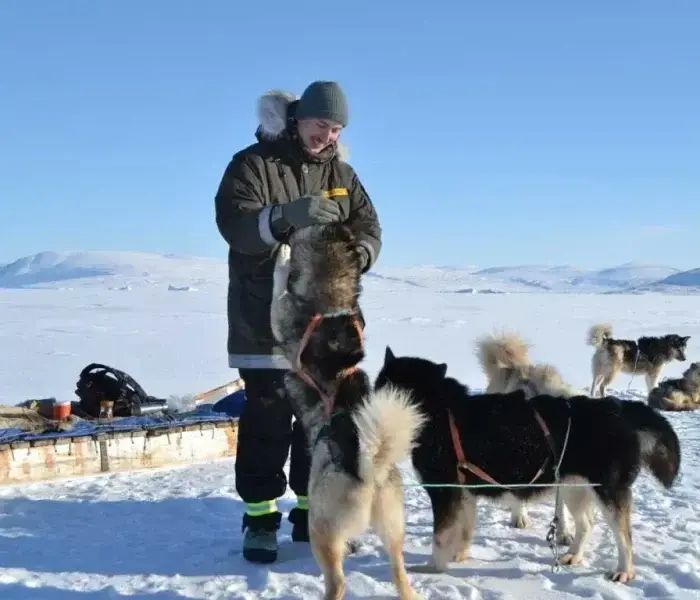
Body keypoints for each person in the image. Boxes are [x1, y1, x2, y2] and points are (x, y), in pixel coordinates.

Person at [214, 81, 382, 563]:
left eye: (335, 129)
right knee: (267, 418)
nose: (326, 137)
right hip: (265, 319)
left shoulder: (342, 173)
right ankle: (261, 520)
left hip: (327, 324)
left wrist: (358, 252)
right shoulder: (252, 166)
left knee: (321, 421)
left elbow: (369, 227)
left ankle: (315, 515)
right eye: (319, 125)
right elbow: (236, 227)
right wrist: (285, 215)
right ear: (295, 119)